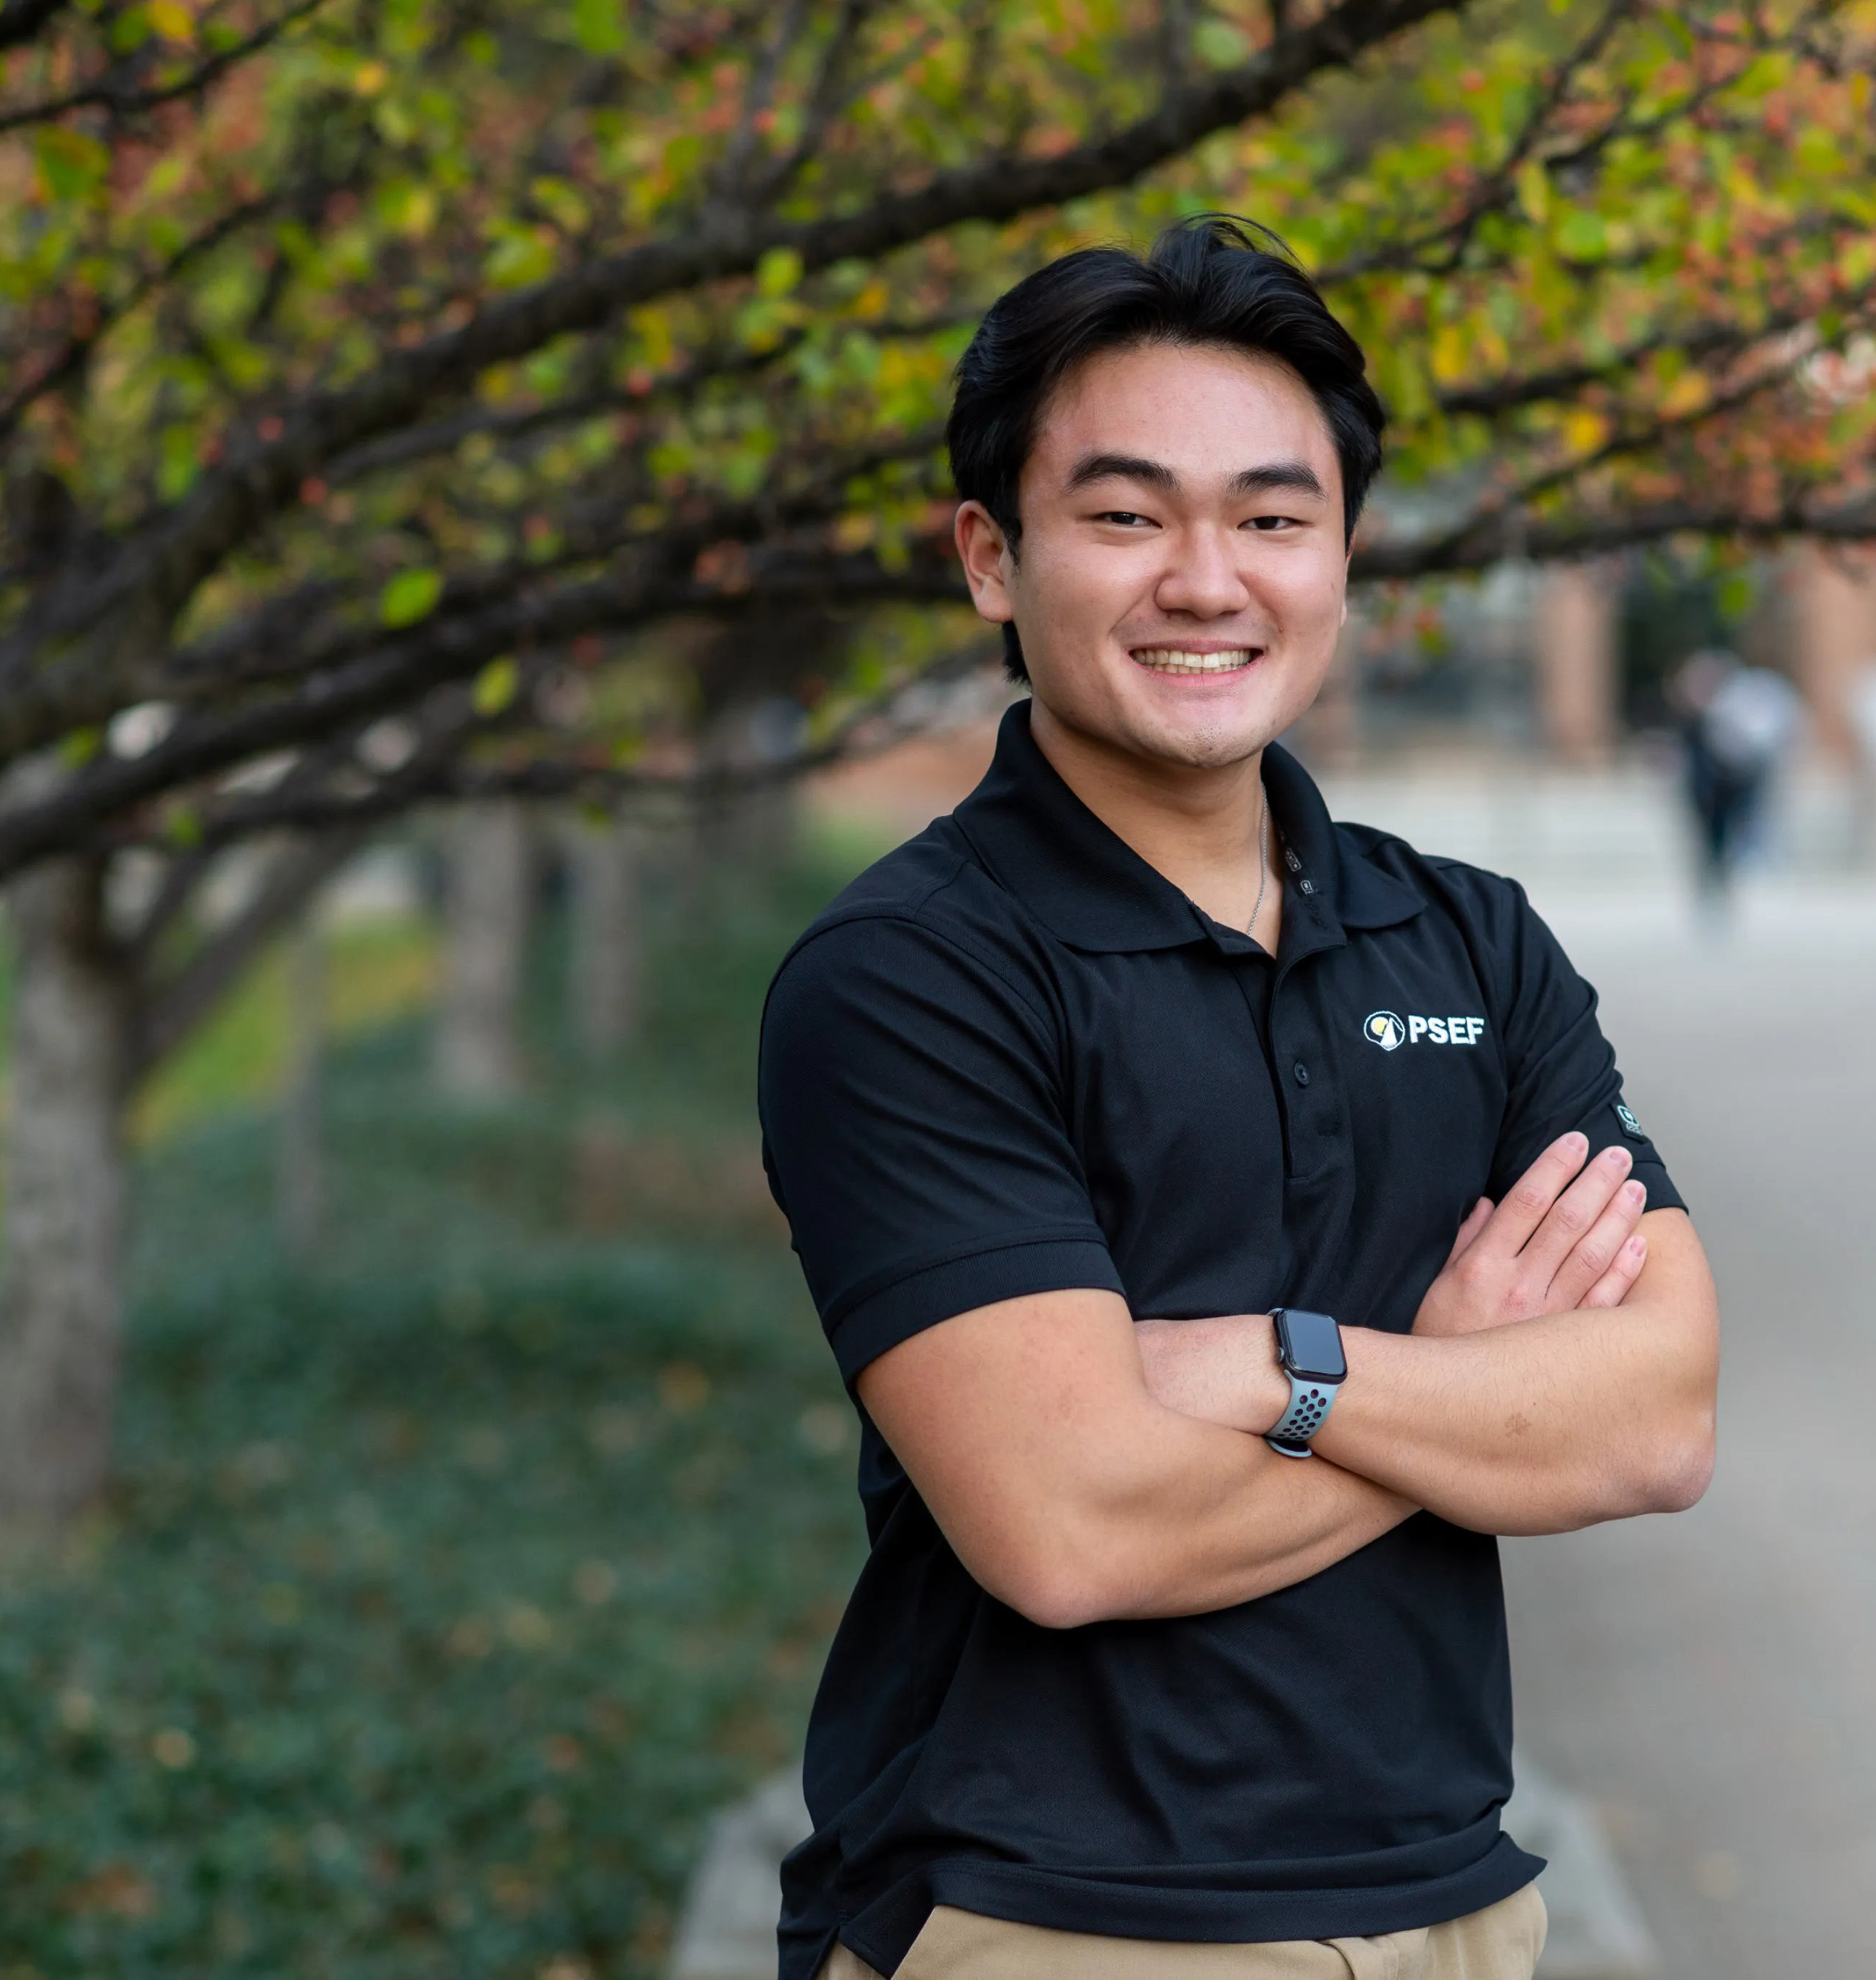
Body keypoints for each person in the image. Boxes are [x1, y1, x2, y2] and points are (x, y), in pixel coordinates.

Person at [756, 217, 1719, 1980]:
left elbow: (1652, 1421)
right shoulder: (910, 975)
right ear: (992, 555)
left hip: (1459, 1905)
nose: (1208, 581)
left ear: (1342, 555)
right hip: (1056, 1919)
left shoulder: (1469, 940)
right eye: (1126, 517)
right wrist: (1465, 1389)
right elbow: (1069, 1524)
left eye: (1273, 519)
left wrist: (1287, 1365)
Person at [1668, 650, 1800, 916]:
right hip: (1710, 785)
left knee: (1732, 832)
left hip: (1733, 780)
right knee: (1711, 837)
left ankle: (1728, 877)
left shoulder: (1736, 701)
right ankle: (1714, 880)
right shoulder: (1703, 716)